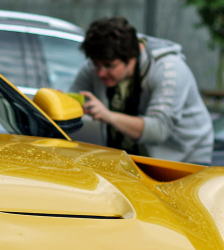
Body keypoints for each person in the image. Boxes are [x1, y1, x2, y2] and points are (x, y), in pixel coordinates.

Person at [68, 16, 213, 164]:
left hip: (186, 158)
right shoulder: (97, 65)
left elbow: (158, 130)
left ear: (132, 57)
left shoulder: (169, 69)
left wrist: (108, 116)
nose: (100, 73)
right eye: (96, 65)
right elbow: (71, 101)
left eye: (109, 66)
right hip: (136, 158)